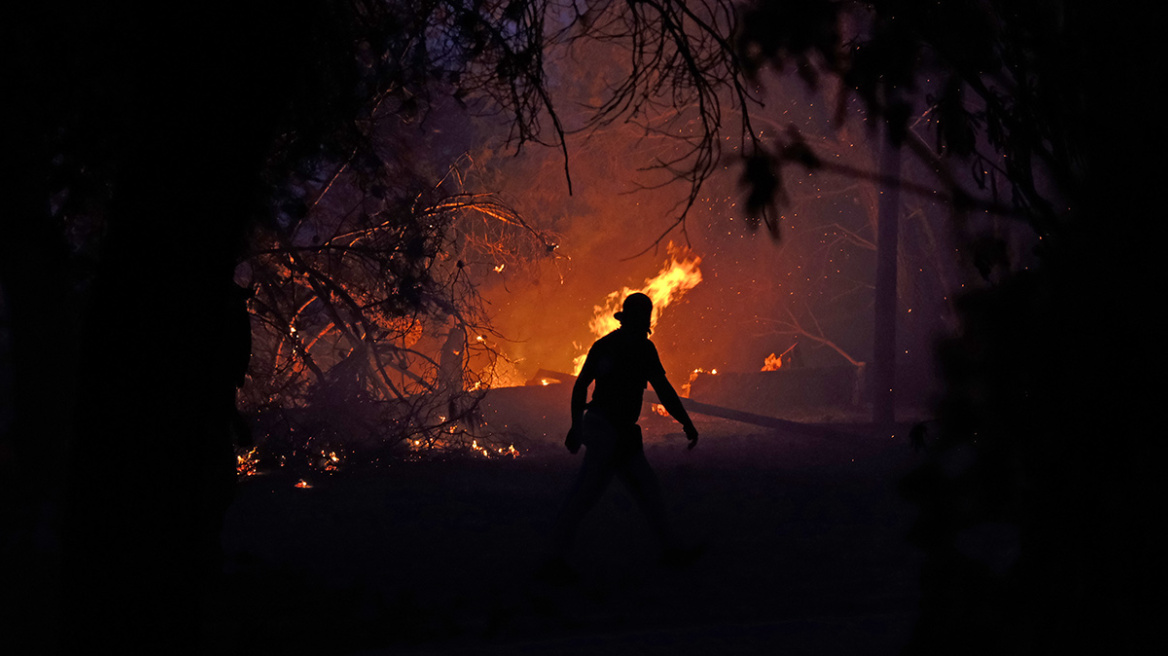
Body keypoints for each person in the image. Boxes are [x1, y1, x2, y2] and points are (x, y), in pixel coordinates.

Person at [542, 293, 700, 581]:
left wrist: (578, 426)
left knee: (627, 491)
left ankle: (669, 550)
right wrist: (686, 423)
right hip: (610, 430)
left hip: (610, 429)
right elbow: (663, 390)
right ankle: (553, 559)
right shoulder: (642, 348)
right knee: (599, 492)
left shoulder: (607, 346)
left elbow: (581, 388)